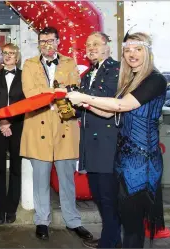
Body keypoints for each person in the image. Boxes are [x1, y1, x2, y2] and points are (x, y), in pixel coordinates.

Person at [67, 32, 168, 248]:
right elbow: (108, 113)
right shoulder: (130, 81)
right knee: (126, 219)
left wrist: (84, 97)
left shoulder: (155, 79)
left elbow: (122, 106)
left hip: (142, 161)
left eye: (138, 49)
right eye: (128, 50)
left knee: (133, 226)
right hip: (123, 159)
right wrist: (77, 101)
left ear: (148, 52)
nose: (132, 54)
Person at [19, 26, 93, 241]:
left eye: (50, 40)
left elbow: (75, 91)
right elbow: (30, 94)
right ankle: (42, 220)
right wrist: (58, 92)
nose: (46, 45)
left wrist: (62, 93)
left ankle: (73, 221)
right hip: (38, 126)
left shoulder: (70, 63)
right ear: (38, 44)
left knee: (67, 180)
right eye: (42, 41)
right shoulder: (29, 64)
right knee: (40, 179)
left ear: (58, 42)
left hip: (65, 127)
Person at [77, 32, 122, 249]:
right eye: (88, 45)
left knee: (107, 197)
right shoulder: (88, 74)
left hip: (107, 143)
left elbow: (107, 101)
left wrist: (79, 99)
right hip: (90, 145)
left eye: (96, 44)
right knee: (98, 195)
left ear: (108, 47)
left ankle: (109, 242)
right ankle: (112, 238)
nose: (91, 48)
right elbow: (83, 110)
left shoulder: (116, 69)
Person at [0, 43, 25, 225]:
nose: (8, 56)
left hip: (18, 126)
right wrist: (2, 122)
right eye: (5, 53)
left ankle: (11, 209)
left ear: (17, 57)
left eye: (11, 53)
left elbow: (27, 102)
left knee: (16, 169)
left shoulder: (25, 76)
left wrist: (10, 121)